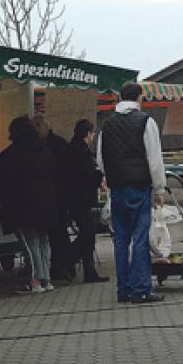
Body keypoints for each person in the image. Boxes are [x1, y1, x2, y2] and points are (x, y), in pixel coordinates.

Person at [96, 82, 167, 304]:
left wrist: (108, 177)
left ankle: (123, 290)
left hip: (117, 187)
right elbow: (154, 159)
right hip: (138, 186)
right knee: (140, 237)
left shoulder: (107, 125)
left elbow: (100, 158)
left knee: (120, 239)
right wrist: (159, 188)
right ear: (139, 98)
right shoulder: (146, 122)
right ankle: (141, 289)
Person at [0, 116, 59, 293]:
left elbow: (0, 184)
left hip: (24, 206)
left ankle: (34, 281)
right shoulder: (44, 150)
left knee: (30, 243)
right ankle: (46, 279)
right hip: (47, 204)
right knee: (43, 240)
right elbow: (53, 176)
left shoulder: (9, 155)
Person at [31, 115, 76, 282]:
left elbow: (63, 173)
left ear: (44, 127)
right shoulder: (55, 144)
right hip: (55, 197)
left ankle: (62, 266)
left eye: (36, 126)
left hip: (57, 197)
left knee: (57, 234)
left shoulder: (53, 146)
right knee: (56, 234)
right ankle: (61, 267)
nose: (34, 130)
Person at [67, 118, 109, 283]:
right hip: (79, 199)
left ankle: (87, 269)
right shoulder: (79, 151)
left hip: (78, 198)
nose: (93, 136)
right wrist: (99, 177)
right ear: (87, 133)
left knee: (88, 233)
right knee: (88, 233)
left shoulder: (76, 148)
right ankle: (67, 259)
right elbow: (86, 173)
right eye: (92, 133)